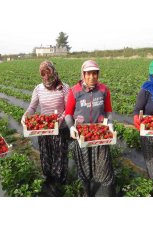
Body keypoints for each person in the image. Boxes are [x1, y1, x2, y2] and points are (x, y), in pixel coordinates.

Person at [65, 60, 114, 197]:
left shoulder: (104, 90)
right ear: (83, 74)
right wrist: (71, 128)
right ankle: (86, 193)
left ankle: (105, 193)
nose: (92, 77)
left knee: (103, 167)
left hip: (100, 134)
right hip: (82, 134)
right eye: (88, 73)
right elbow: (68, 114)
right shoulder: (75, 91)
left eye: (95, 73)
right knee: (84, 169)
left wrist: (110, 123)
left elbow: (108, 110)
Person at [21, 61, 70, 196]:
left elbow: (69, 110)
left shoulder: (64, 88)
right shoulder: (38, 89)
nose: (47, 76)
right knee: (46, 155)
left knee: (59, 156)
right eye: (43, 73)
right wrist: (26, 115)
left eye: (49, 72)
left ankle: (60, 182)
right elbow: (32, 107)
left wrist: (59, 120)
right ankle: (49, 179)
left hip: (60, 129)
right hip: (43, 129)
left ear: (54, 71)